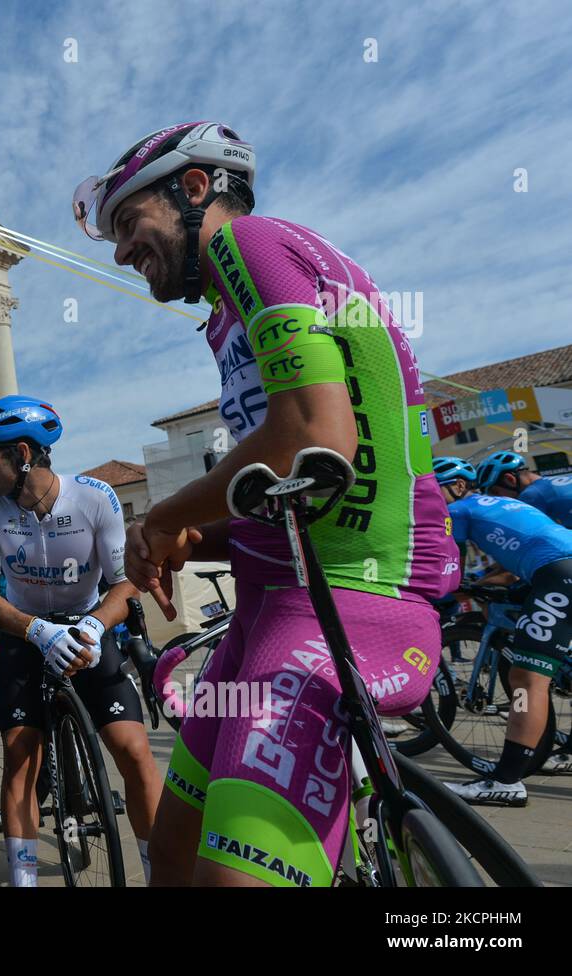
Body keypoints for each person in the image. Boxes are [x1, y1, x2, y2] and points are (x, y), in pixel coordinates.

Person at [74, 122, 459, 887]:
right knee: (174, 853)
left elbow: (313, 433)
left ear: (193, 190)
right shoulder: (228, 304)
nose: (121, 251)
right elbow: (305, 482)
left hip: (349, 603)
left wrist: (161, 514)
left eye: (128, 225)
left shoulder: (248, 246)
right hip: (274, 605)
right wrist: (200, 535)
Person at [0, 394, 162, 886]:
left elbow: (125, 582)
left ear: (23, 455)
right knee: (21, 759)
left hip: (86, 629)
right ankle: (25, 880)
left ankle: (163, 871)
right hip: (25, 631)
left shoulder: (95, 497)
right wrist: (36, 629)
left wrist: (94, 625)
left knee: (134, 752)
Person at [436, 457, 572, 790]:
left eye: (433, 491)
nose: (429, 501)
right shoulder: (502, 504)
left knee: (527, 677)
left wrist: (442, 602)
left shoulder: (460, 511)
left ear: (457, 485)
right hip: (557, 569)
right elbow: (513, 566)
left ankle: (505, 782)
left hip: (560, 575)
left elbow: (448, 570)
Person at [476, 450, 572, 528]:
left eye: (495, 492)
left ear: (510, 479)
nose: (498, 499)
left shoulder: (531, 496)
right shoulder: (566, 478)